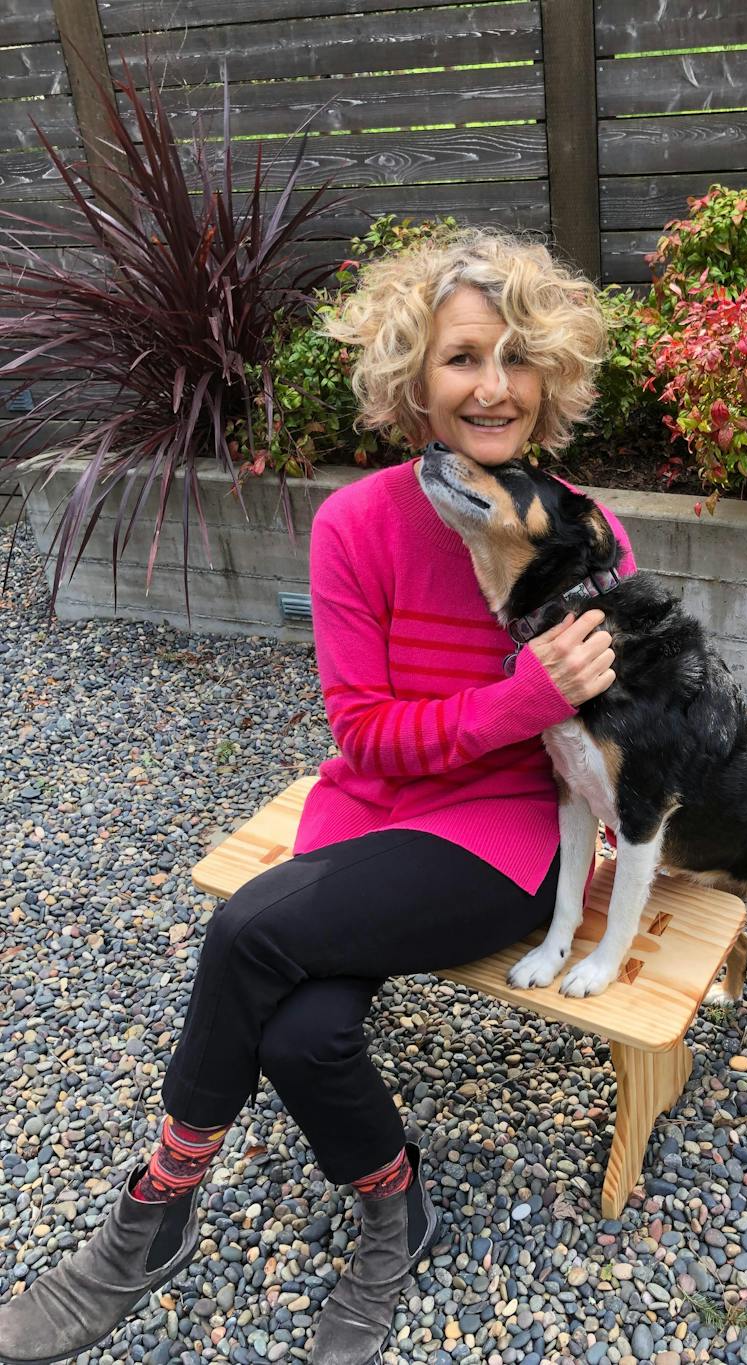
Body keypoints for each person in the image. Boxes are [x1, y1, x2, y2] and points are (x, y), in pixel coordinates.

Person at [0, 225, 637, 1365]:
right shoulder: (357, 523)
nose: (493, 386)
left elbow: (615, 733)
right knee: (302, 1033)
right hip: (374, 808)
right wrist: (520, 695)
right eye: (462, 357)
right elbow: (366, 738)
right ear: (414, 379)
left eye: (518, 359)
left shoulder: (583, 532)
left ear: (551, 377)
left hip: (502, 840)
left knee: (247, 929)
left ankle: (152, 1214)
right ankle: (398, 1211)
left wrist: (601, 767)